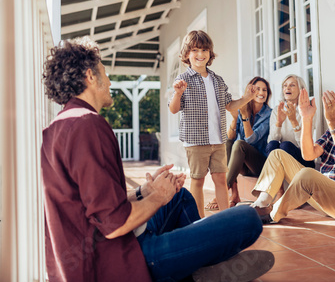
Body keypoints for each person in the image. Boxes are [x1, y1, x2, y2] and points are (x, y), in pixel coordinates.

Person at [41, 37, 274, 282]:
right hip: (122, 258)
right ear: (90, 76)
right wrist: (159, 196)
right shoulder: (86, 126)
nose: (109, 81)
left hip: (114, 245)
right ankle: (191, 272)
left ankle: (197, 269)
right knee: (248, 218)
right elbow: (114, 224)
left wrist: (145, 190)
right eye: (104, 73)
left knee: (181, 197)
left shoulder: (60, 126)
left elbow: (96, 208)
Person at [251, 88, 335, 225]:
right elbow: (309, 155)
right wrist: (306, 118)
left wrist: (332, 121)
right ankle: (261, 203)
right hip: (325, 197)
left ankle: (272, 214)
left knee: (308, 174)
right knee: (277, 154)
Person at [169, 30, 257, 218]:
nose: (200, 54)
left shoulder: (217, 80)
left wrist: (247, 98)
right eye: (195, 50)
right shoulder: (182, 80)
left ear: (210, 54)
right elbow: (173, 109)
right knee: (198, 180)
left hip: (218, 139)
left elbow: (229, 105)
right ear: (187, 54)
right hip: (195, 140)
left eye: (204, 50)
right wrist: (178, 94)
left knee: (220, 179)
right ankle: (199, 221)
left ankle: (224, 219)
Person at [205, 77, 272, 210]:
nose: (261, 92)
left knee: (239, 144)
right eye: (257, 89)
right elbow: (230, 137)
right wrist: (235, 118)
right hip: (242, 164)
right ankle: (235, 194)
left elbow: (250, 140)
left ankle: (224, 190)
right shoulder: (244, 108)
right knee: (229, 142)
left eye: (264, 90)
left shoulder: (269, 114)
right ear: (250, 92)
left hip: (259, 165)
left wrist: (245, 117)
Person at [266, 74, 315, 168]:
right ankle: (275, 179)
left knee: (285, 146)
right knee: (273, 144)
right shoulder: (277, 110)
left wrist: (294, 121)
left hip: (304, 159)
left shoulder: (307, 110)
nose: (287, 88)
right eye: (285, 85)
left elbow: (304, 147)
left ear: (301, 90)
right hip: (283, 158)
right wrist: (279, 123)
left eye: (292, 85)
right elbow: (271, 142)